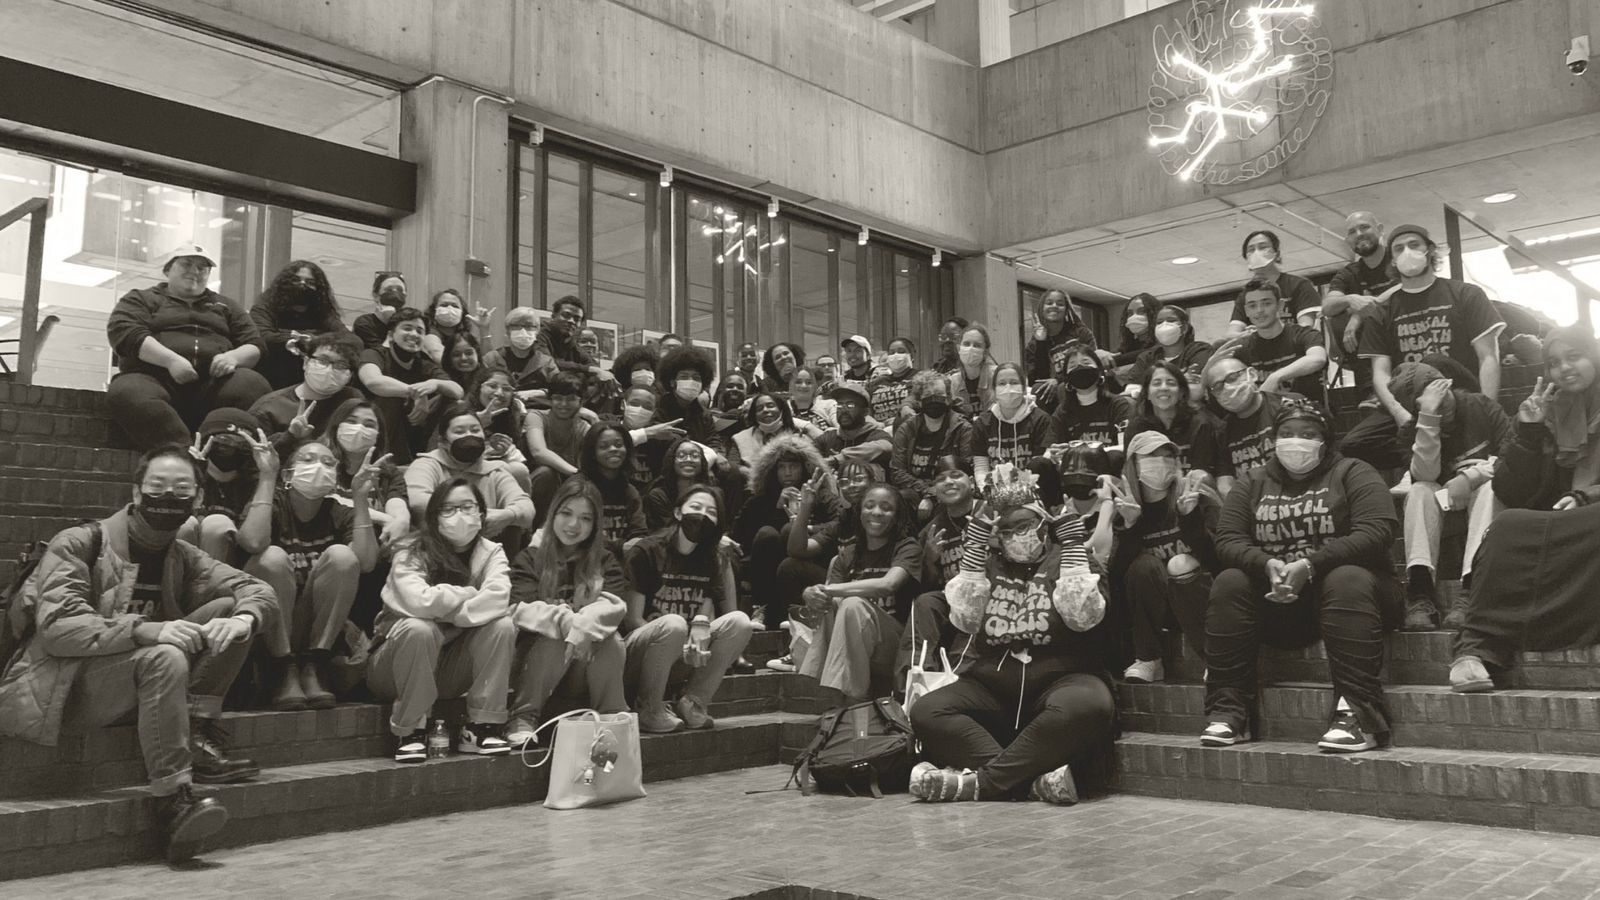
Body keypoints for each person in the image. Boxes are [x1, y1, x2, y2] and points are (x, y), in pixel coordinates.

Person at [0, 445, 276, 863]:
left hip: (130, 682)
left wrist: (246, 619)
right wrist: (149, 629)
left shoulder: (181, 555)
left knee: (228, 612)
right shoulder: (81, 542)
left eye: (181, 489)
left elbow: (258, 590)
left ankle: (196, 726)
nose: (168, 498)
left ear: (198, 500)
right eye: (157, 488)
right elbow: (58, 629)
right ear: (136, 492)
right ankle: (174, 800)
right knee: (164, 656)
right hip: (59, 687)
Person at [909, 462, 1114, 804]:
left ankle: (981, 785)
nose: (1016, 536)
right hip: (992, 684)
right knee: (926, 711)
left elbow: (1083, 618)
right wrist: (973, 553)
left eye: (1024, 526)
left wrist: (1074, 548)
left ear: (1043, 525)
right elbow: (966, 619)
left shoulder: (1073, 559)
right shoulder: (988, 564)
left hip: (1062, 678)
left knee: (1089, 704)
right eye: (1006, 530)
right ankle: (1030, 784)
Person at [1204, 400, 1398, 752]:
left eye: (1309, 434)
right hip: (1282, 603)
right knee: (1229, 581)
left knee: (1346, 577)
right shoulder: (1252, 482)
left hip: (1357, 599)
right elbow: (1228, 540)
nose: (1297, 441)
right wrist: (1266, 564)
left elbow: (1378, 529)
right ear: (1274, 439)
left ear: (1325, 440)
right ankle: (1230, 712)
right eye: (1287, 433)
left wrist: (1310, 564)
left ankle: (1358, 715)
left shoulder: (1354, 471)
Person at [369, 478, 515, 761]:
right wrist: (468, 594)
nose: (458, 515)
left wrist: (446, 613)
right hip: (393, 667)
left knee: (502, 625)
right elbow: (417, 602)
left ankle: (482, 726)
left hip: (448, 670)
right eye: (447, 509)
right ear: (433, 516)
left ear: (481, 513)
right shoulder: (410, 549)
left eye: (466, 506)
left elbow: (498, 599)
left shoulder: (491, 551)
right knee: (419, 628)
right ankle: (410, 732)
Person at [1345, 224, 1505, 471]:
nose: (1407, 251)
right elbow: (1380, 374)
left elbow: (1488, 358)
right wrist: (1400, 414)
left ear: (1430, 250)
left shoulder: (1465, 294)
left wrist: (1486, 408)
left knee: (1430, 364)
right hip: (1411, 401)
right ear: (1393, 261)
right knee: (1353, 444)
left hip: (1459, 393)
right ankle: (1431, 460)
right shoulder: (1383, 312)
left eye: (1414, 244)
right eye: (1399, 248)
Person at [238, 435, 379, 709]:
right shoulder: (274, 500)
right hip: (267, 624)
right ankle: (282, 669)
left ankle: (315, 665)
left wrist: (360, 499)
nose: (318, 467)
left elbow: (366, 562)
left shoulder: (339, 511)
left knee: (342, 556)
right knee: (272, 557)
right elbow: (253, 542)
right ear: (289, 472)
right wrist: (268, 477)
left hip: (313, 625)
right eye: (308, 459)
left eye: (328, 462)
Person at [105, 243, 270, 449]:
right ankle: (183, 454)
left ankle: (227, 455)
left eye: (202, 268)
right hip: (153, 379)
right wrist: (170, 360)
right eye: (186, 264)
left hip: (213, 385)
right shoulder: (140, 298)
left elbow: (255, 344)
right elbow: (125, 333)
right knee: (127, 391)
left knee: (252, 384)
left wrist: (233, 358)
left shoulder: (227, 306)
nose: (194, 271)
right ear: (167, 269)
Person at [1384, 362, 1510, 630]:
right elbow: (1425, 475)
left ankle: (1471, 592)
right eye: (1431, 403)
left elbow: (1511, 454)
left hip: (1486, 503)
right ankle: (1420, 594)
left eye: (1442, 395)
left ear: (1448, 384)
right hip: (1445, 507)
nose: (1443, 405)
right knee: (1418, 491)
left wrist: (1470, 477)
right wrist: (1429, 421)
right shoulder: (1411, 432)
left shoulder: (1482, 406)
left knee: (1490, 488)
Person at [506, 478, 629, 747]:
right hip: (536, 664)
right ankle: (523, 717)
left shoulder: (605, 560)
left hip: (582, 666)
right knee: (553, 636)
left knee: (611, 640)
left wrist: (583, 626)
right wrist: (572, 625)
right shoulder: (530, 558)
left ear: (595, 525)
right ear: (553, 514)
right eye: (566, 513)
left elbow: (614, 607)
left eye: (585, 518)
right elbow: (521, 610)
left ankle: (612, 720)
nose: (574, 525)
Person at [621, 486, 753, 732]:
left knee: (740, 622)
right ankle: (649, 706)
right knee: (674, 624)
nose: (702, 515)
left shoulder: (712, 558)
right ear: (678, 513)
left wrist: (698, 633)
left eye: (711, 512)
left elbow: (703, 612)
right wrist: (678, 639)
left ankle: (693, 702)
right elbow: (632, 620)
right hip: (639, 654)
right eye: (696, 507)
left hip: (680, 652)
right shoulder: (646, 550)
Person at [797, 484, 922, 707]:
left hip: (893, 647)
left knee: (853, 604)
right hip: (852, 644)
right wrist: (811, 593)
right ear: (860, 512)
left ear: (896, 517)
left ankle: (854, 701)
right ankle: (835, 700)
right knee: (835, 604)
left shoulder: (907, 547)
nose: (876, 512)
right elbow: (829, 601)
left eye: (886, 508)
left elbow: (888, 584)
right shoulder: (848, 554)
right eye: (870, 506)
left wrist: (829, 589)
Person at [1116, 431, 1220, 683]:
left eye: (1167, 456)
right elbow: (1118, 576)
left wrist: (1190, 518)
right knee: (1143, 566)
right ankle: (1148, 659)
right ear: (1134, 464)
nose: (1161, 462)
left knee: (1180, 564)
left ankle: (1216, 661)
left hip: (1202, 599)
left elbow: (1219, 559)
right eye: (1151, 456)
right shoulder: (1126, 507)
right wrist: (1130, 527)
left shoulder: (1196, 496)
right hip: (1159, 609)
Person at [768, 460, 877, 672]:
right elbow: (797, 550)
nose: (851, 485)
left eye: (858, 479)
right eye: (845, 481)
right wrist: (806, 506)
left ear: (873, 482)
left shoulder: (883, 515)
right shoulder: (843, 521)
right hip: (842, 588)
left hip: (872, 593)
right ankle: (801, 643)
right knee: (790, 567)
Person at [736, 435, 839, 632]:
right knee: (767, 533)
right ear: (773, 472)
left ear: (805, 468)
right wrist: (776, 508)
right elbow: (744, 534)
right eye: (782, 468)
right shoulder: (761, 499)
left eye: (793, 466)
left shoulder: (822, 495)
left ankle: (793, 610)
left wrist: (809, 527)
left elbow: (838, 522)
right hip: (768, 569)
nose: (788, 473)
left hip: (807, 563)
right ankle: (761, 607)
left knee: (788, 535)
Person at [1493, 324, 1600, 512]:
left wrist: (1586, 497)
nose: (1565, 367)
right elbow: (1508, 494)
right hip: (1554, 520)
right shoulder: (1540, 413)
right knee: (1506, 527)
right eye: (1554, 363)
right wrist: (1529, 434)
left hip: (1591, 517)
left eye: (1574, 357)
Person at [406, 404, 536, 552]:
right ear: (443, 442)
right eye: (459, 431)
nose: (469, 435)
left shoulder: (495, 470)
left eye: (475, 430)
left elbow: (526, 507)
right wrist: (473, 515)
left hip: (485, 550)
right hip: (436, 548)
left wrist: (508, 515)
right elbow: (417, 501)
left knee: (513, 523)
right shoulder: (427, 464)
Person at [896, 456, 979, 685]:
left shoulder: (991, 513)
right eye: (941, 479)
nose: (949, 482)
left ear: (971, 481)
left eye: (956, 475)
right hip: (949, 599)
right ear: (934, 489)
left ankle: (958, 683)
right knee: (924, 602)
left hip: (988, 595)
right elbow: (928, 583)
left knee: (973, 605)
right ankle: (914, 682)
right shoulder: (931, 529)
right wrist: (930, 560)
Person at [356, 307, 463, 462]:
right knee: (391, 396)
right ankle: (385, 461)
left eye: (420, 331)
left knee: (450, 400)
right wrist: (417, 393)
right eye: (407, 328)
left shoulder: (424, 365)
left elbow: (458, 390)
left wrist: (434, 383)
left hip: (411, 432)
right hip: (373, 432)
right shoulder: (374, 354)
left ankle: (437, 460)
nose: (414, 334)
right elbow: (373, 381)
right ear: (391, 335)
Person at [1321, 212, 1397, 393]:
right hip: (1367, 361)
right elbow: (1327, 307)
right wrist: (1349, 299)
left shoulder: (1397, 258)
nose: (1359, 234)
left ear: (1379, 230)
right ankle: (1372, 392)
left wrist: (1357, 316)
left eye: (1364, 227)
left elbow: (1406, 286)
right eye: (1352, 232)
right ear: (1348, 240)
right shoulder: (1348, 273)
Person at [249, 331, 364, 445]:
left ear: (350, 376)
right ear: (306, 363)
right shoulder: (268, 409)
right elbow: (256, 456)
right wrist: (290, 436)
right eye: (322, 360)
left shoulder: (352, 399)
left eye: (341, 365)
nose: (329, 369)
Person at [180, 408, 264, 564]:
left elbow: (252, 542)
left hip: (234, 566)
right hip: (182, 564)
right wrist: (191, 474)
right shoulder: (183, 471)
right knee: (185, 524)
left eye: (240, 442)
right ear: (207, 440)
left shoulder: (256, 483)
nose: (231, 446)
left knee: (217, 525)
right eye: (224, 440)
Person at [249, 260, 349, 390]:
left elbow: (348, 338)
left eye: (310, 283)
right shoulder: (267, 302)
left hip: (314, 376)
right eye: (296, 280)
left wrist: (313, 340)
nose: (302, 285)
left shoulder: (322, 309)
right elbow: (262, 336)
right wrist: (303, 339)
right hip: (273, 372)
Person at [1225, 278, 1328, 400]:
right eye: (1252, 306)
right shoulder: (1242, 347)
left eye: (1267, 303)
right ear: (1246, 311)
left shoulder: (1303, 334)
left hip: (1305, 411)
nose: (1259, 310)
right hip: (1263, 413)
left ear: (1280, 306)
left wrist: (1276, 377)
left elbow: (1318, 358)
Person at [892, 371, 975, 519]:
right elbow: (897, 472)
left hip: (951, 487)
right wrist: (927, 492)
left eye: (938, 393)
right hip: (915, 492)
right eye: (928, 394)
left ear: (948, 399)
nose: (933, 398)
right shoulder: (906, 429)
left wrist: (934, 495)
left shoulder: (963, 428)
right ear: (919, 400)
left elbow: (967, 467)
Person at [1201, 355, 1284, 497]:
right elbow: (1225, 483)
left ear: (1251, 374)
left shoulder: (1287, 406)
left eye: (1232, 378)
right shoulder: (1222, 432)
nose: (1227, 387)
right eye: (1218, 386)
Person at [1124, 361, 1225, 478]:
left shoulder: (1201, 423)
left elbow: (1202, 474)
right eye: (1156, 383)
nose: (1164, 388)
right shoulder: (1136, 428)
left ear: (1181, 392)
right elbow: (1130, 473)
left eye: (1171, 383)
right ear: (1147, 393)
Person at [972, 362, 1057, 486]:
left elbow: (1041, 465)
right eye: (1001, 383)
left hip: (1032, 489)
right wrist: (986, 490)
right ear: (994, 389)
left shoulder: (1041, 419)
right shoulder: (982, 423)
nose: (1008, 387)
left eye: (1014, 382)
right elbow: (981, 467)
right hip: (995, 490)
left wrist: (1022, 491)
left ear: (1024, 388)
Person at [1225, 230, 1322, 337]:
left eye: (1263, 247)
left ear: (1277, 253)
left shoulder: (1299, 285)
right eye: (1251, 250)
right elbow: (1230, 334)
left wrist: (1270, 331)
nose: (1256, 253)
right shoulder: (1245, 295)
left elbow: (1305, 327)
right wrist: (1250, 334)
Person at [524, 373, 592, 524]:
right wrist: (576, 473)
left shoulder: (584, 427)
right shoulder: (537, 417)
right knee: (547, 473)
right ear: (550, 399)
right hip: (537, 487)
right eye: (558, 398)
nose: (563, 404)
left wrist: (595, 419)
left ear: (581, 401)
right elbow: (539, 452)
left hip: (569, 487)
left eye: (571, 399)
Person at [575, 422, 649, 558]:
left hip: (620, 562)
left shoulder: (630, 491)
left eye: (619, 444)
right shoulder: (578, 486)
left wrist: (637, 544)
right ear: (592, 453)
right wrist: (620, 547)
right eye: (604, 446)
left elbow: (639, 532)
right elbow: (576, 534)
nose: (613, 449)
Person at [1050, 345, 1134, 447]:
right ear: (1067, 379)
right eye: (1073, 366)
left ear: (1099, 371)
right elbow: (1050, 450)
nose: (1080, 368)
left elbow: (1127, 447)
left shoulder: (1118, 405)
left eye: (1086, 363)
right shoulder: (1062, 413)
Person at [1125, 304, 1213, 401]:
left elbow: (1194, 386)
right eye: (1159, 322)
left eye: (1171, 320)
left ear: (1184, 328)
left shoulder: (1199, 350)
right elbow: (1130, 390)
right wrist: (1180, 379)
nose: (1164, 325)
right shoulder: (1147, 357)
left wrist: (1150, 386)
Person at [468, 366, 532, 492]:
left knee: (519, 470)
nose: (499, 393)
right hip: (465, 468)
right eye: (492, 386)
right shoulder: (460, 411)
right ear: (479, 388)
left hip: (500, 467)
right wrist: (475, 424)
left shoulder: (513, 414)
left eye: (506, 389)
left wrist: (504, 449)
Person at [726, 390, 819, 476]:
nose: (765, 410)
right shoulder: (740, 438)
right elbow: (732, 465)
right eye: (759, 409)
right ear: (754, 415)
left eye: (770, 406)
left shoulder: (798, 435)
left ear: (781, 410)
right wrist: (747, 472)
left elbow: (812, 465)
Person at [1024, 288, 1099, 386]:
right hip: (1052, 393)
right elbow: (1037, 379)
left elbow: (1091, 366)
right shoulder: (1033, 344)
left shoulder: (1081, 333)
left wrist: (1058, 380)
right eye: (1049, 303)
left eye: (1060, 304)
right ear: (1042, 308)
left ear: (1067, 309)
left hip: (1081, 383)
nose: (1054, 306)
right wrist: (1041, 342)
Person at [657, 346, 725, 451]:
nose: (691, 381)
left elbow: (713, 439)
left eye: (696, 378)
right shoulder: (659, 409)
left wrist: (716, 453)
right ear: (672, 382)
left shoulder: (704, 414)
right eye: (684, 377)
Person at [817, 381, 894, 470]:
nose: (843, 410)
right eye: (840, 405)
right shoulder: (828, 437)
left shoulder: (877, 435)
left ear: (865, 412)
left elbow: (885, 447)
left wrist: (837, 459)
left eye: (850, 405)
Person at [646, 438, 715, 529]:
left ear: (702, 462)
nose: (688, 460)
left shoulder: (711, 492)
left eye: (695, 456)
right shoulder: (658, 495)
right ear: (672, 461)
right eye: (681, 455)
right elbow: (667, 529)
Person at [480, 307, 548, 399]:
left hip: (535, 409)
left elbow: (560, 389)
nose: (523, 331)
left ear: (537, 331)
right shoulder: (492, 358)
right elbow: (479, 386)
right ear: (507, 331)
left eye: (529, 326)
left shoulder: (545, 362)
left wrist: (537, 392)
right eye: (516, 326)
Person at [420, 288, 491, 365]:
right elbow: (439, 356)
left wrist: (484, 329)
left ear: (462, 313)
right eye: (444, 305)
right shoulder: (429, 333)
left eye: (455, 306)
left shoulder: (463, 336)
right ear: (434, 311)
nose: (450, 309)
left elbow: (488, 360)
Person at [949, 324, 999, 417]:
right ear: (958, 348)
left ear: (985, 352)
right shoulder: (953, 382)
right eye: (966, 344)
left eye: (977, 345)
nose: (971, 348)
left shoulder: (997, 376)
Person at [869, 337, 919, 427]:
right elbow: (866, 411)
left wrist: (898, 421)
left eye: (901, 351)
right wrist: (876, 424)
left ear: (911, 355)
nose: (896, 355)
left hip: (908, 429)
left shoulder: (920, 378)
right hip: (878, 430)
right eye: (892, 352)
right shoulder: (876, 382)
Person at [353, 272, 408, 350]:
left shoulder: (412, 321)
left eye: (399, 290)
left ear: (405, 295)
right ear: (376, 296)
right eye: (389, 290)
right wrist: (391, 324)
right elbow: (381, 356)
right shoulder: (364, 323)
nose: (395, 293)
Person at [1112, 293, 1160, 367]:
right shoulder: (1125, 347)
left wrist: (1113, 360)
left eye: (1142, 311)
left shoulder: (1162, 346)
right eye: (1130, 313)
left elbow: (1148, 353)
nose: (1134, 316)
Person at [788, 364, 838, 431]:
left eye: (809, 382)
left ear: (815, 386)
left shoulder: (829, 405)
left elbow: (842, 430)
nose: (804, 386)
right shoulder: (782, 407)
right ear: (790, 385)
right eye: (798, 382)